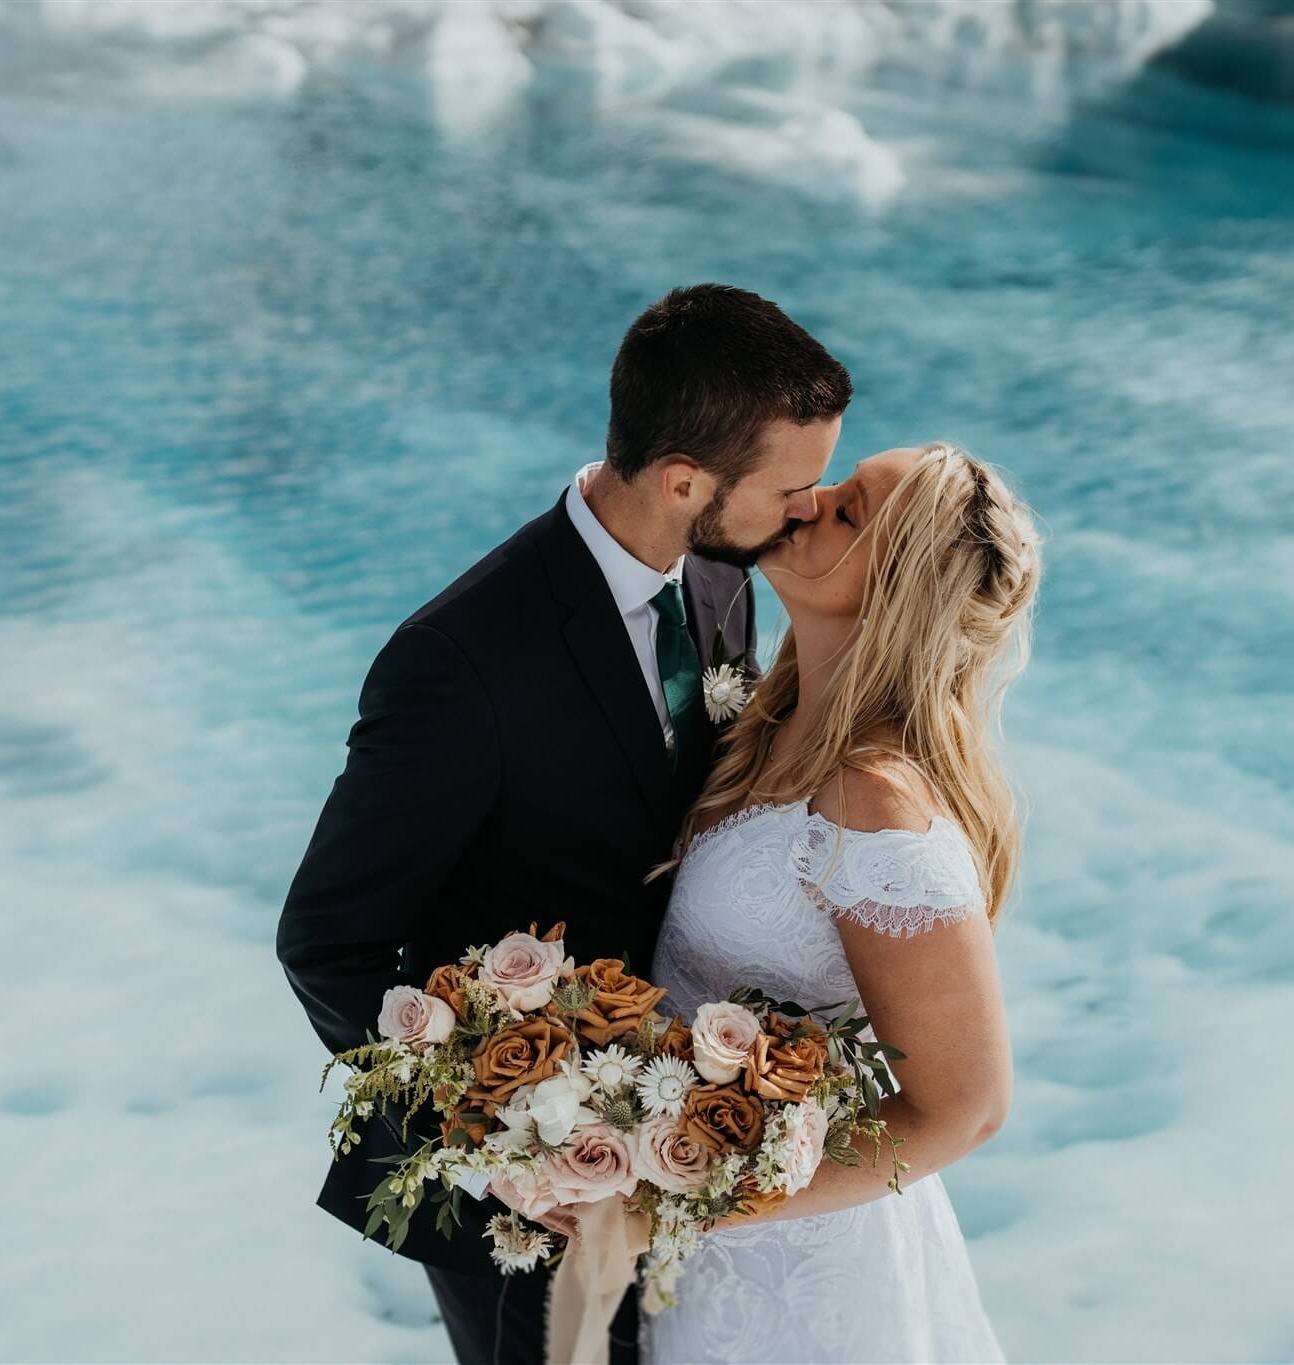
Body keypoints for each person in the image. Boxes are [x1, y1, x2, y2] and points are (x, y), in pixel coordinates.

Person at [274, 282, 852, 1365]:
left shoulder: (721, 578)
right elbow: (326, 943)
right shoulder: (458, 662)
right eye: (794, 485)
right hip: (524, 1208)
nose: (808, 508)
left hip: (676, 1147)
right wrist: (493, 1150)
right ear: (684, 480)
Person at [641, 440, 1044, 1363]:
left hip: (809, 1281)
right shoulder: (766, 729)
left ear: (898, 590)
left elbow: (967, 1105)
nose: (809, 498)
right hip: (702, 1256)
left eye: (850, 510)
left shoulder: (874, 799)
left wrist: (692, 1195)